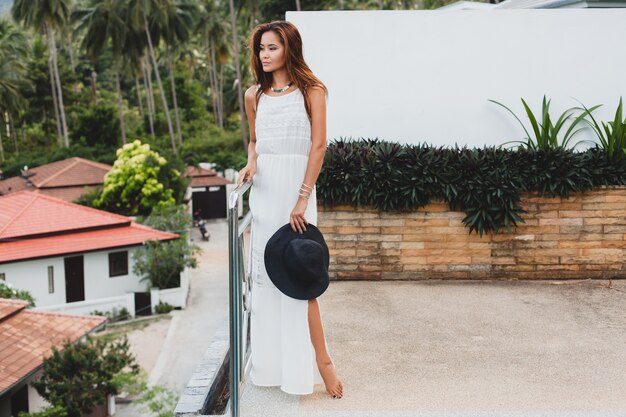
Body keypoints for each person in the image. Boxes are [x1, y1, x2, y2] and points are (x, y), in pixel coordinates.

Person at [236, 20, 344, 399]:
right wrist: (250, 163)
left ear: (289, 49)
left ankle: (322, 362)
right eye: (261, 49)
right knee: (267, 284)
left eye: (272, 48)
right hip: (264, 194)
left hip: (296, 196)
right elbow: (254, 142)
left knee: (300, 280)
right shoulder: (254, 96)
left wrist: (302, 196)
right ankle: (271, 367)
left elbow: (318, 147)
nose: (264, 55)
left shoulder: (312, 91)